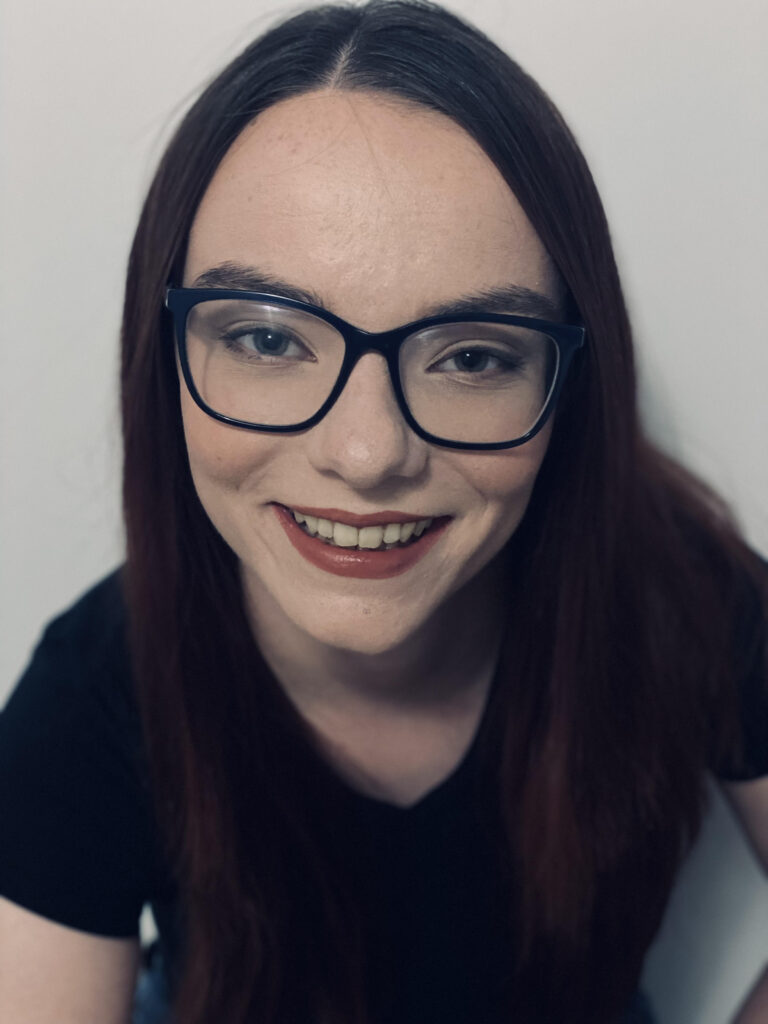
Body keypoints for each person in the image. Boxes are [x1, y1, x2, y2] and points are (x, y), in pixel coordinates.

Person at [1, 1, 766, 1022]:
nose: (366, 455)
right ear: (165, 356)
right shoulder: (94, 691)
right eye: (270, 339)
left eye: (473, 355)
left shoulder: (684, 596)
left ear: (569, 382)